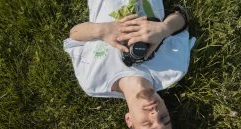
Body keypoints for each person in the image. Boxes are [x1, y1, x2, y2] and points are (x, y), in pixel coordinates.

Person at [64, 0, 196, 128]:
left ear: (129, 120)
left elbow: (74, 35)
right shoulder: (174, 69)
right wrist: (164, 28)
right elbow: (181, 18)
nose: (155, 113)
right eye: (164, 118)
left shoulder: (93, 81)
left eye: (147, 124)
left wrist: (102, 30)